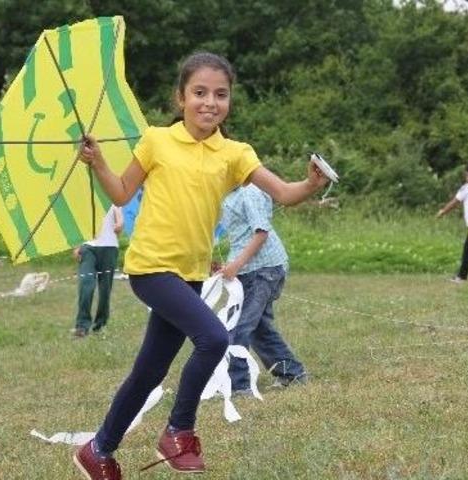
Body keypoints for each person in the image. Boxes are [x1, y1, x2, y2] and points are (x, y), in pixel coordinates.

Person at [73, 52, 328, 478]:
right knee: (213, 337)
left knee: (149, 371)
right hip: (151, 267)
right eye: (200, 93)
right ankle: (179, 431)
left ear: (230, 100)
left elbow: (284, 193)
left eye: (221, 94)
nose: (210, 102)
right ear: (181, 98)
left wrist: (311, 183)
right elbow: (121, 193)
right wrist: (98, 161)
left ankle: (98, 450)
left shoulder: (234, 153)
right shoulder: (156, 140)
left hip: (190, 274)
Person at [219, 185, 307, 395]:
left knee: (239, 326)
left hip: (265, 270)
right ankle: (291, 372)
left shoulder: (249, 193)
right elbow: (240, 235)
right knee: (259, 327)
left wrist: (236, 264)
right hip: (249, 269)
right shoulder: (228, 194)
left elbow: (261, 233)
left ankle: (239, 385)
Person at [73, 205, 123, 337]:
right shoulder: (85, 199)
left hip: (109, 248)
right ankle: (82, 325)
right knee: (86, 283)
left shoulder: (113, 201)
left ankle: (100, 324)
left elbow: (119, 220)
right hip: (88, 248)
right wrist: (77, 245)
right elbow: (79, 224)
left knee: (105, 289)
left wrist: (119, 224)